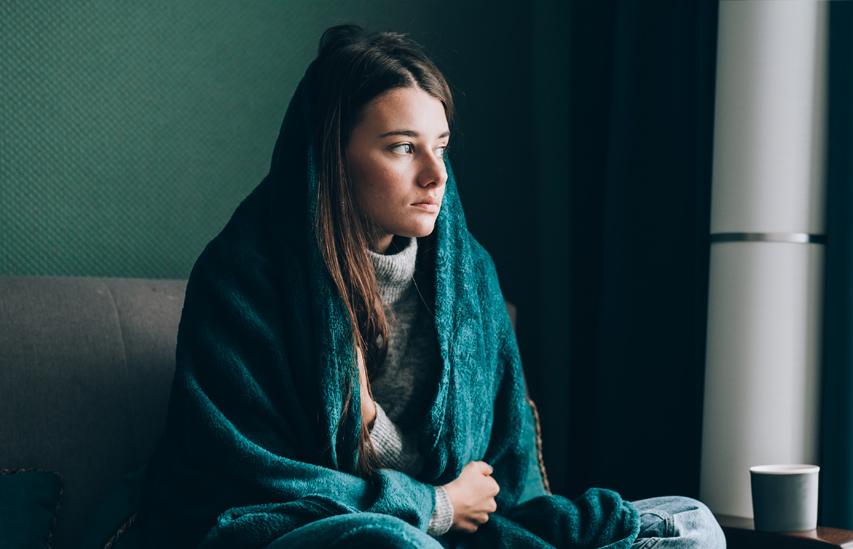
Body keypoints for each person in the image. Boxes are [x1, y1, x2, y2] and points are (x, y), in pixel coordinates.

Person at [134, 24, 726, 548]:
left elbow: (499, 484)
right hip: (314, 531)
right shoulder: (243, 281)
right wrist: (435, 506)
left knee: (690, 523)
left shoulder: (469, 280)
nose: (436, 174)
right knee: (389, 542)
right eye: (402, 147)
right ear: (331, 156)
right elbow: (256, 484)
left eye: (441, 147)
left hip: (460, 534)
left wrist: (400, 456)